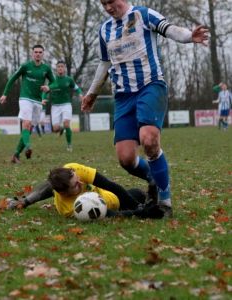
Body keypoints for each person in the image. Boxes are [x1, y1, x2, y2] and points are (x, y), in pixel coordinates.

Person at [81, 0, 209, 218]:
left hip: (150, 86)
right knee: (126, 159)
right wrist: (92, 92)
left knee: (149, 139)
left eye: (110, 2)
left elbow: (168, 29)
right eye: (103, 4)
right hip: (123, 96)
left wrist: (189, 36)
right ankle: (154, 179)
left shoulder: (143, 15)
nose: (108, 8)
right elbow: (104, 63)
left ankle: (165, 200)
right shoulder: (105, 29)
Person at [6, 162, 165, 219]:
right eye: (75, 186)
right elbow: (109, 215)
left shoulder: (73, 169)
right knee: (137, 205)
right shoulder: (68, 209)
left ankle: (148, 199)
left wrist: (139, 207)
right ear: (63, 193)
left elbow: (110, 185)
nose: (80, 182)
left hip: (111, 196)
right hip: (113, 206)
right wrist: (141, 213)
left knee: (136, 194)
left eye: (77, 179)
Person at [0, 45, 55, 163]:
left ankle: (15, 155)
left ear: (43, 54)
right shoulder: (25, 66)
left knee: (29, 128)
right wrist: (5, 94)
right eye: (36, 52)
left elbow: (54, 83)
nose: (38, 54)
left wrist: (48, 87)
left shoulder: (46, 68)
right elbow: (12, 78)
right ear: (32, 54)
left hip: (38, 101)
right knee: (26, 123)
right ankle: (28, 146)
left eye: (40, 52)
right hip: (25, 99)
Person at [42, 61, 83, 151]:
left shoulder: (69, 80)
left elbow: (76, 88)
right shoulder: (52, 80)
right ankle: (60, 130)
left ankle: (69, 145)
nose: (60, 68)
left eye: (62, 66)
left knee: (66, 123)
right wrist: (43, 98)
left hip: (66, 105)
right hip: (55, 106)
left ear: (64, 68)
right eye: (58, 66)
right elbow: (45, 91)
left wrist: (80, 94)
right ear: (56, 69)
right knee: (55, 128)